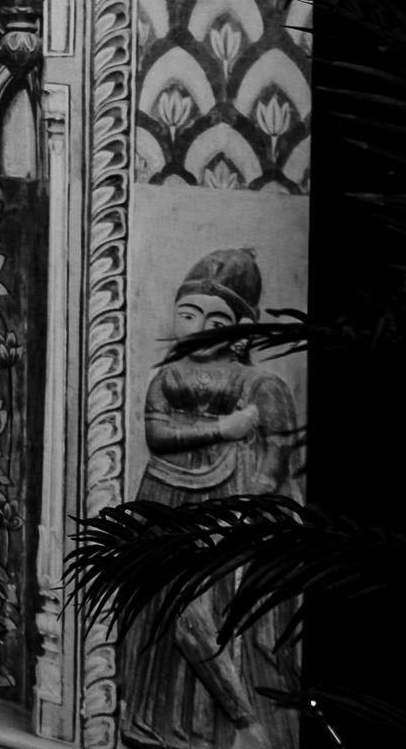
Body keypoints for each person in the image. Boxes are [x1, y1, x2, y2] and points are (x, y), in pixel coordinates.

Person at [117, 248, 302, 749]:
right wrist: (225, 426)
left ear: (241, 330)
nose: (200, 327)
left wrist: (249, 506)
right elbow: (157, 434)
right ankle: (160, 721)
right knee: (161, 608)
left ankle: (241, 722)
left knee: (207, 614)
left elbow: (279, 450)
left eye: (217, 319)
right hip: (164, 496)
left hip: (227, 502)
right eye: (189, 313)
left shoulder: (260, 383)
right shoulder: (166, 378)